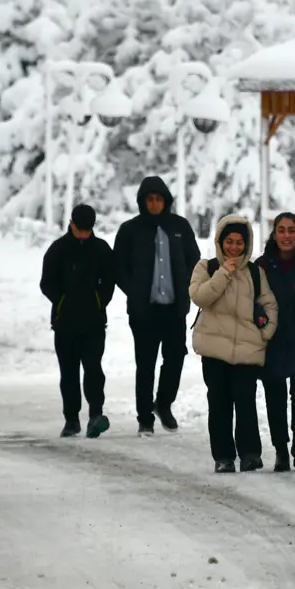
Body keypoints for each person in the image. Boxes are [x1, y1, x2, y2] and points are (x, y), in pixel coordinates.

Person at [190, 215, 279, 473]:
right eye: (229, 241)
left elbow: (269, 303)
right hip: (214, 349)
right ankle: (223, 456)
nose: (235, 247)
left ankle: (250, 453)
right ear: (220, 241)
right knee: (219, 404)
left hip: (247, 350)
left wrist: (266, 332)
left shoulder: (254, 272)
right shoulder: (205, 267)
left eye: (240, 242)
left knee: (245, 401)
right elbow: (200, 297)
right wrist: (223, 273)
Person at [113, 176, 200, 436]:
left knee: (175, 358)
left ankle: (163, 404)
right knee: (146, 364)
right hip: (144, 311)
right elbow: (118, 267)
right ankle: (144, 418)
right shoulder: (130, 230)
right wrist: (135, 291)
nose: (154, 204)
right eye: (149, 199)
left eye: (158, 199)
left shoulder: (179, 227)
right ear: (142, 202)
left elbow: (193, 260)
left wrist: (186, 288)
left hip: (174, 308)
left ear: (166, 201)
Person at [39, 205, 115, 439]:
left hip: (93, 324)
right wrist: (62, 301)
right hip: (65, 324)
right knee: (69, 373)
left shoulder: (101, 249)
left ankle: (95, 415)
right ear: (70, 224)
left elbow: (109, 281)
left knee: (94, 370)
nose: (83, 233)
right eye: (79, 229)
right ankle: (71, 419)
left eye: (87, 230)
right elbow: (46, 283)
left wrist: (98, 301)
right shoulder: (58, 250)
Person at [256, 212, 295, 471]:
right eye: (281, 230)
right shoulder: (262, 264)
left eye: (291, 230)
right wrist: (259, 316)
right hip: (273, 339)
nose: (286, 236)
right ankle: (281, 448)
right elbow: (253, 298)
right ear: (274, 234)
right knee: (275, 397)